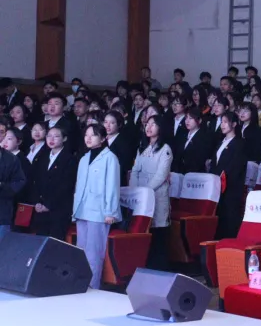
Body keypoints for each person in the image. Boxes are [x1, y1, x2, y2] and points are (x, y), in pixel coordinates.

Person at [72, 124, 121, 289]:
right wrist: (75, 210)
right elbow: (78, 187)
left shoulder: (110, 158)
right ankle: (80, 285)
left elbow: (112, 186)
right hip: (82, 210)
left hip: (99, 212)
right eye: (86, 135)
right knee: (81, 250)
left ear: (103, 138)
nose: (88, 138)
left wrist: (110, 212)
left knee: (94, 253)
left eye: (93, 135)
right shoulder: (84, 158)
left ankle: (92, 287)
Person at [129, 114, 173, 270]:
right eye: (147, 124)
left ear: (160, 128)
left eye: (153, 124)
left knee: (158, 232)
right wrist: (135, 192)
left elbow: (161, 175)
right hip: (141, 197)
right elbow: (135, 171)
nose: (148, 127)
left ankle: (160, 268)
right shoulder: (142, 147)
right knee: (144, 231)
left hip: (157, 196)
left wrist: (144, 192)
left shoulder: (165, 149)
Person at [29, 125, 77, 240]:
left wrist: (48, 205)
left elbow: (66, 186)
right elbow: (36, 181)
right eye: (49, 136)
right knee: (40, 241)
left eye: (56, 136)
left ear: (64, 138)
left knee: (55, 243)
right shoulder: (42, 157)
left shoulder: (70, 159)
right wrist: (37, 202)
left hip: (59, 210)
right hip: (41, 208)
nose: (51, 139)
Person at [210, 112, 246, 240]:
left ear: (234, 124)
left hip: (231, 187)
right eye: (221, 122)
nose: (222, 125)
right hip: (218, 186)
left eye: (225, 122)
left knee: (229, 218)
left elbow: (236, 166)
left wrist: (223, 178)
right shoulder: (221, 142)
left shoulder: (239, 143)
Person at [178, 107, 213, 174]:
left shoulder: (204, 138)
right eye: (186, 118)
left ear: (199, 120)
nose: (187, 121)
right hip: (180, 173)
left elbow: (200, 161)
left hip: (194, 174)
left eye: (191, 118)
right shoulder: (182, 135)